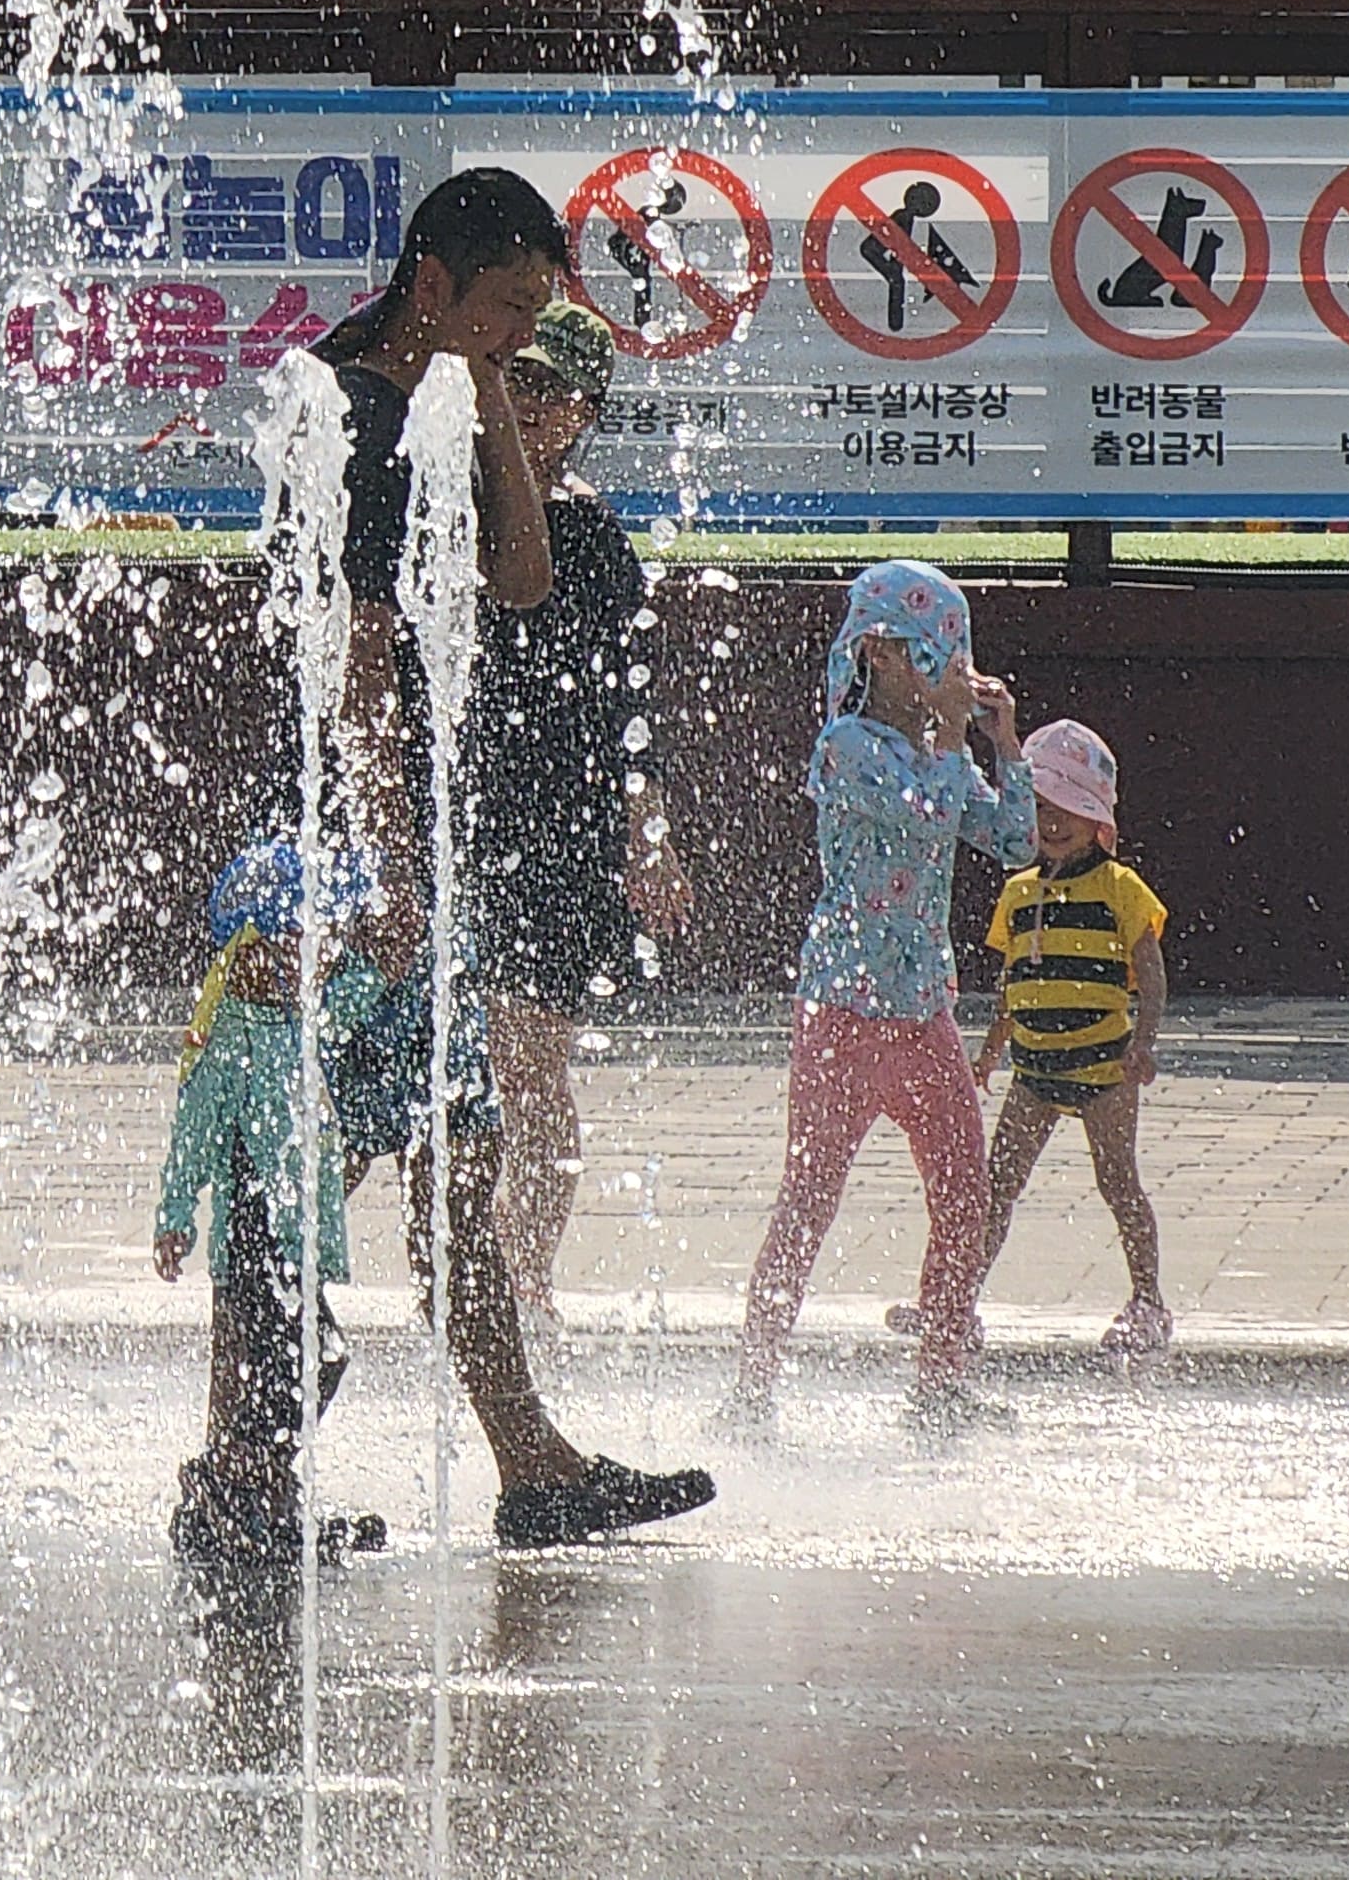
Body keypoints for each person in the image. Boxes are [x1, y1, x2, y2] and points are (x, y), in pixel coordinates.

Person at [306, 165, 717, 1550]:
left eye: (543, 322)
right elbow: (359, 670)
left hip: (403, 855)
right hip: (351, 861)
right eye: (504, 314)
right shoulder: (354, 420)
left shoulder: (436, 395)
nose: (522, 344)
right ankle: (246, 1470)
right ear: (431, 288)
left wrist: (479, 387)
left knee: (438, 1154)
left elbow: (526, 580)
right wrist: (386, 871)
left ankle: (529, 1465)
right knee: (309, 1162)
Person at [727, 558, 1035, 1434]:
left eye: (955, 658)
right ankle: (753, 1389)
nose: (951, 676)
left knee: (965, 1195)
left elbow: (1013, 840)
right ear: (883, 654)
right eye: (937, 656)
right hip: (843, 1016)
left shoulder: (944, 753)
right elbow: (925, 811)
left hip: (924, 1015)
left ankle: (939, 1386)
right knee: (810, 1199)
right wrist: (955, 742)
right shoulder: (846, 749)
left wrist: (1005, 747)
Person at [463, 296, 693, 1345]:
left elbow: (627, 712)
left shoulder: (597, 540)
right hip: (460, 834)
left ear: (587, 409)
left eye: (554, 392)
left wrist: (649, 835)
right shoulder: (445, 505)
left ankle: (521, 1280)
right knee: (468, 1077)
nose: (532, 406)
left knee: (533, 1073)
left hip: (564, 840)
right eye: (518, 382)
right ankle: (474, 1281)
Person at [156, 834, 391, 1567]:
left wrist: (383, 949)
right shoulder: (233, 1031)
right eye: (300, 943)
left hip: (297, 1239)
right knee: (311, 1356)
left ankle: (251, 1490)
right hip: (253, 1241)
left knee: (301, 1360)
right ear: (253, 952)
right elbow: (192, 1126)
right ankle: (237, 1480)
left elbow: (366, 983)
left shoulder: (305, 1017)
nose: (315, 958)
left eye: (320, 944)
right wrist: (173, 1218)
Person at [968, 719, 1173, 1356]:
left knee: (1118, 1181)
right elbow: (1012, 982)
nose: (1053, 825)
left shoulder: (1120, 888)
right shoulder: (1018, 893)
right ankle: (956, 1302)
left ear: (1097, 821)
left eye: (1069, 811)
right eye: (1040, 809)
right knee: (996, 1184)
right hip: (1033, 1070)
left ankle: (1148, 1302)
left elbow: (1151, 970)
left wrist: (1145, 1040)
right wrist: (989, 1050)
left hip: (1105, 1068)